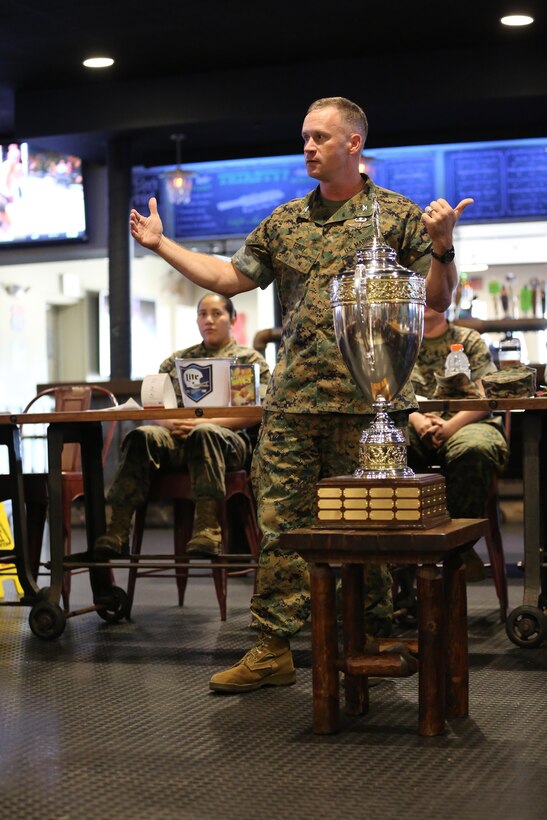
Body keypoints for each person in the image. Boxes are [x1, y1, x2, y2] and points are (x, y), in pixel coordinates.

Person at [130, 96, 474, 693]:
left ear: (354, 144)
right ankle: (271, 648)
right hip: (293, 402)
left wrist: (443, 247)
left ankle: (365, 638)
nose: (308, 147)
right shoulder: (286, 221)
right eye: (304, 138)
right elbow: (227, 277)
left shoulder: (394, 216)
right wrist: (162, 245)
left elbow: (438, 299)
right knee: (282, 522)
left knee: (368, 525)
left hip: (367, 403)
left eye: (320, 137)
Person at [71, 293, 270, 562]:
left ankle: (208, 529)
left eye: (217, 313)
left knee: (205, 433)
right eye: (202, 314)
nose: (208, 320)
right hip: (178, 441)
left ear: (232, 318)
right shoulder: (178, 361)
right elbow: (155, 405)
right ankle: (117, 530)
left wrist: (204, 422)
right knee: (142, 436)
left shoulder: (249, 360)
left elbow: (256, 413)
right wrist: (167, 421)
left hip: (228, 444)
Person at [407, 306, 509, 580]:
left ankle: (459, 547)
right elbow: (388, 389)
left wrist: (450, 426)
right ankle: (398, 558)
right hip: (413, 422)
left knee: (474, 450)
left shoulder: (468, 339)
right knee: (390, 451)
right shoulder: (400, 339)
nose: (428, 299)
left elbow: (486, 393)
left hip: (466, 422)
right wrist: (417, 421)